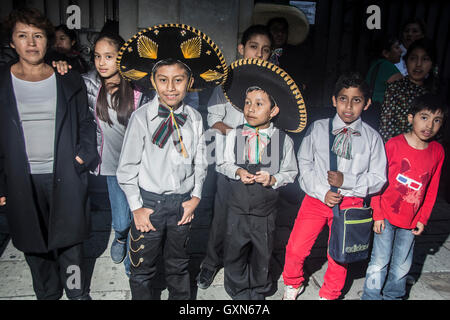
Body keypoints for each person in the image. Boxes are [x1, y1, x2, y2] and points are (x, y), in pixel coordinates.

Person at [115, 24, 227, 300]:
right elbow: (126, 169)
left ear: (189, 83)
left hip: (181, 205)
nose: (170, 87)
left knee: (178, 266)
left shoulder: (196, 118)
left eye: (178, 80)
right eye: (163, 80)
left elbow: (201, 161)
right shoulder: (142, 118)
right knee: (142, 268)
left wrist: (196, 196)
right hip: (149, 204)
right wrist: (136, 208)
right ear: (153, 82)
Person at [0, 8, 98, 300]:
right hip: (21, 179)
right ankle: (48, 293)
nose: (31, 43)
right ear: (12, 43)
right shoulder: (2, 83)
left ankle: (76, 290)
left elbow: (86, 123)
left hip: (64, 175)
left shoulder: (67, 78)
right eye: (23, 36)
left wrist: (81, 157)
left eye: (38, 36)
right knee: (34, 242)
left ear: (48, 41)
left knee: (71, 242)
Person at [282, 72, 387, 300]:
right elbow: (305, 163)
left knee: (339, 254)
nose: (348, 106)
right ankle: (293, 282)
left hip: (351, 203)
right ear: (333, 100)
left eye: (356, 100)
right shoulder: (318, 128)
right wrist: (322, 191)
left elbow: (379, 177)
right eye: (343, 99)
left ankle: (329, 293)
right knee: (296, 247)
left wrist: (346, 181)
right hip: (316, 199)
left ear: (367, 103)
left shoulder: (372, 138)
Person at [218, 58, 304, 299]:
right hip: (237, 208)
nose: (250, 109)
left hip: (265, 212)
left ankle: (259, 288)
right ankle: (237, 288)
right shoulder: (234, 135)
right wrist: (236, 171)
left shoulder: (282, 140)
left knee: (262, 252)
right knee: (234, 250)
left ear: (273, 110)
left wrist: (274, 179)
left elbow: (291, 172)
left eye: (258, 104)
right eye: (247, 103)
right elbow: (222, 163)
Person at [196, 24, 274, 289]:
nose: (259, 54)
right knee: (222, 216)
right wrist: (241, 135)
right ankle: (210, 262)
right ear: (242, 49)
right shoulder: (227, 83)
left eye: (265, 50)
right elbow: (214, 120)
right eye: (254, 47)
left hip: (262, 162)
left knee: (255, 218)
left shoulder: (272, 87)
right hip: (231, 160)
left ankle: (247, 265)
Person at [361, 93, 445, 300]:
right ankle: (371, 296)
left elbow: (432, 189)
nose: (429, 125)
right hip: (387, 215)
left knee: (402, 263)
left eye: (437, 120)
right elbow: (377, 179)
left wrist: (422, 218)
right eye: (424, 117)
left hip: (411, 219)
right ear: (410, 118)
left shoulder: (437, 151)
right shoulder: (393, 145)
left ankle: (393, 296)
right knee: (379, 260)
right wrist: (377, 214)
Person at [379, 38, 439, 142]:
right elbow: (385, 129)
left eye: (425, 59)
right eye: (413, 58)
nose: (418, 64)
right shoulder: (395, 89)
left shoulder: (435, 94)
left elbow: (438, 135)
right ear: (406, 62)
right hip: (395, 153)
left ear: (432, 64)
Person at [363, 36, 403, 131]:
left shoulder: (376, 64)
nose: (401, 51)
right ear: (386, 53)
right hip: (382, 112)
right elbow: (403, 89)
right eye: (396, 48)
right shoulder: (387, 66)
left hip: (371, 110)